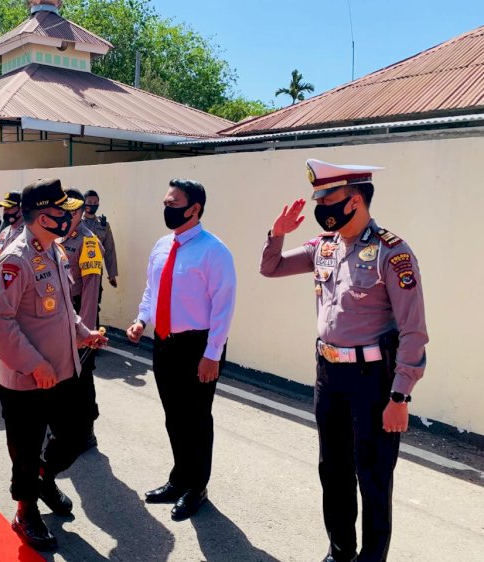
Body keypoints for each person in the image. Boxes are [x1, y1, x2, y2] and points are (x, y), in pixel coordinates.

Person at [259, 159, 428, 562]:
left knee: (372, 477)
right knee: (332, 472)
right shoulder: (325, 246)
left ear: (355, 200)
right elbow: (271, 268)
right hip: (329, 374)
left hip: (373, 379)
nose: (321, 207)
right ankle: (339, 552)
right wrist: (276, 235)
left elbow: (414, 332)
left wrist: (400, 396)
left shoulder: (393, 253)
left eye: (328, 199)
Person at [0, 178, 107, 551]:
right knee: (25, 449)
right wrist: (35, 364)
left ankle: (44, 477)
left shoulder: (53, 249)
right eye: (60, 211)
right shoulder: (15, 259)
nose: (68, 217)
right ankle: (26, 512)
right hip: (28, 379)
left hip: (64, 371)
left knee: (74, 435)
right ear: (43, 215)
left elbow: (62, 310)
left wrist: (84, 332)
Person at [127, 179, 236, 521]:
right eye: (166, 201)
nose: (166, 208)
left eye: (173, 203)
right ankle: (179, 478)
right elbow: (152, 291)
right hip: (164, 342)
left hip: (198, 346)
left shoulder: (214, 250)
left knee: (197, 418)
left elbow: (224, 306)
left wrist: (212, 354)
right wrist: (141, 320)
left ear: (194, 209)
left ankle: (196, 486)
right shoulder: (162, 245)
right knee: (174, 414)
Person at [60, 188, 103, 450]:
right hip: (59, 315)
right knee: (64, 375)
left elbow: (90, 289)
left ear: (78, 211)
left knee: (83, 375)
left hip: (80, 314)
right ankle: (65, 425)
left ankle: (86, 430)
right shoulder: (56, 239)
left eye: (69, 209)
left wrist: (85, 333)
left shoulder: (88, 241)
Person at [83, 189, 118, 288]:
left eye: (95, 203)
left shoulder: (104, 225)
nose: (92, 205)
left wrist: (112, 274)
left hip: (96, 271)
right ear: (84, 204)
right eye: (89, 202)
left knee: (95, 300)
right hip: (79, 271)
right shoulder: (77, 223)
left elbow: (109, 250)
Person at [0, 190, 23, 259]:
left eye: (9, 207)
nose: (5, 211)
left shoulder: (28, 232)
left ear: (21, 209)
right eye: (4, 207)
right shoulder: (4, 232)